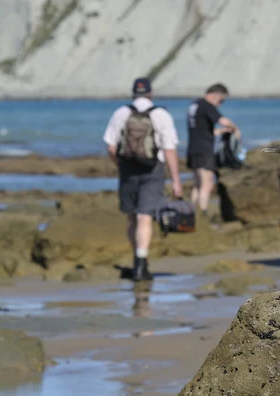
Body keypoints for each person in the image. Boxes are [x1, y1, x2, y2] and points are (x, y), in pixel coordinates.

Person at [103, 77, 183, 281]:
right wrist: (176, 180)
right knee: (145, 217)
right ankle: (141, 263)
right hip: (152, 170)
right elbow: (170, 150)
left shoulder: (121, 113)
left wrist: (120, 165)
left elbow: (111, 147)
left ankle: (135, 259)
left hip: (127, 169)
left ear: (133, 93)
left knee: (131, 216)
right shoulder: (161, 115)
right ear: (150, 94)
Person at [186, 83, 241, 216]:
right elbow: (224, 121)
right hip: (204, 150)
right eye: (221, 100)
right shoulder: (206, 105)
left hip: (193, 149)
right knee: (208, 183)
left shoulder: (194, 105)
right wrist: (235, 129)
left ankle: (191, 212)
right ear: (216, 95)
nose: (220, 104)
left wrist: (221, 132)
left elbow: (201, 130)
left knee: (198, 184)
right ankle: (202, 214)